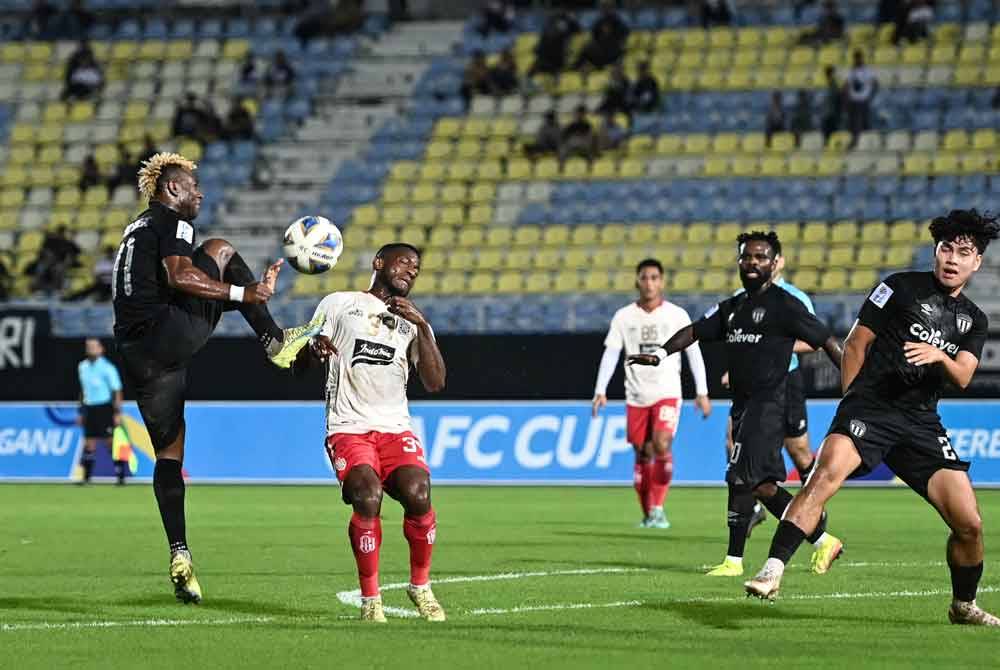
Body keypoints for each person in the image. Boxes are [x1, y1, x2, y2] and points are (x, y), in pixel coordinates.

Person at [745, 210, 1000, 626]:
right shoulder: (897, 287)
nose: (952, 258)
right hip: (871, 407)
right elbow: (856, 344)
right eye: (946, 248)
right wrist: (854, 402)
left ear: (978, 263)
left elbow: (965, 375)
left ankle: (963, 605)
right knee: (823, 476)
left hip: (920, 423)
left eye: (964, 252)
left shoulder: (973, 319)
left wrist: (940, 356)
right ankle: (771, 571)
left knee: (969, 523)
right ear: (936, 251)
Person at [112, 152, 323, 604]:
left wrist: (241, 299)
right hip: (165, 334)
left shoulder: (136, 229)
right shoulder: (172, 222)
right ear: (171, 190)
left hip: (138, 354)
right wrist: (248, 292)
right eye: (192, 185)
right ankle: (273, 340)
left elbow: (179, 290)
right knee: (222, 250)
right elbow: (182, 274)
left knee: (169, 453)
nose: (200, 192)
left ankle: (180, 553)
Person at [628, 232, 844, 577]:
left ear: (774, 264)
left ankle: (735, 560)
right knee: (760, 485)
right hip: (743, 404)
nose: (753, 263)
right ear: (739, 262)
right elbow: (694, 331)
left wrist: (855, 382)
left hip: (770, 403)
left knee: (740, 476)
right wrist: (659, 354)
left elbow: (826, 341)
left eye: (761, 257)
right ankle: (822, 540)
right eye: (747, 257)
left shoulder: (786, 305)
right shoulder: (733, 307)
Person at [293, 243, 447, 623]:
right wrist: (313, 349)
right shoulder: (338, 303)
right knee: (367, 496)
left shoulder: (412, 321)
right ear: (379, 263)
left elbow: (435, 381)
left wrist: (424, 326)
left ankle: (420, 586)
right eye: (404, 262)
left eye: (417, 267)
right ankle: (371, 599)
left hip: (395, 427)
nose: (411, 270)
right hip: (348, 427)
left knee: (419, 492)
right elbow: (298, 365)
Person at [593, 258, 712, 529]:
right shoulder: (624, 316)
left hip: (667, 391)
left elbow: (693, 352)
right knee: (642, 453)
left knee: (661, 444)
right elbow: (611, 353)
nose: (649, 283)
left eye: (654, 277)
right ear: (637, 281)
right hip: (636, 394)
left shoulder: (677, 315)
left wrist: (702, 391)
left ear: (662, 281)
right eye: (644, 278)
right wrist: (600, 390)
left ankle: (658, 507)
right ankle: (648, 512)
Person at [723, 249, 822, 537]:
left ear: (779, 263)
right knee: (733, 439)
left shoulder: (795, 298)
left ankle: (814, 508)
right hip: (751, 384)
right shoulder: (741, 297)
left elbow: (813, 341)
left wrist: (775, 345)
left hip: (784, 381)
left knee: (800, 452)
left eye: (768, 259)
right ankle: (751, 505)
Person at [76, 338, 123, 484]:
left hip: (105, 407)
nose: (91, 349)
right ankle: (86, 477)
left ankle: (120, 475)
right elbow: (83, 391)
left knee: (110, 442)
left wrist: (117, 412)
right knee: (89, 443)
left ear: (101, 349)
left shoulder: (108, 368)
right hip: (90, 408)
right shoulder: (82, 366)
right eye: (88, 346)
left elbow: (117, 390)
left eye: (94, 346)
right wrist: (81, 411)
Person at [573, 1, 629, 70]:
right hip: (601, 49)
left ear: (612, 8)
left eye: (608, 7)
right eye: (604, 7)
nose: (605, 9)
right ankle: (576, 69)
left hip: (614, 49)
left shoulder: (618, 21)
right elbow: (594, 36)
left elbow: (624, 35)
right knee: (587, 49)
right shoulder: (599, 22)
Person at [528, 10, 579, 76]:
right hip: (547, 57)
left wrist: (572, 20)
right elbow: (544, 40)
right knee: (538, 66)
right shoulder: (550, 27)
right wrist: (537, 48)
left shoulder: (568, 24)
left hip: (558, 57)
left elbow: (577, 31)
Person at [844, 50, 878, 149]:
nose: (857, 60)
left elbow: (875, 84)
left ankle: (859, 142)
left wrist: (870, 97)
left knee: (862, 122)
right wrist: (847, 98)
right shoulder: (851, 71)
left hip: (863, 100)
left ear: (861, 58)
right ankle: (855, 141)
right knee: (853, 122)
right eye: (855, 58)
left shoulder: (867, 71)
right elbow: (846, 85)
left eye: (858, 58)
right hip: (853, 100)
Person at [820, 65, 842, 142]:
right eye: (828, 73)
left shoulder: (834, 84)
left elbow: (836, 97)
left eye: (829, 73)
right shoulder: (827, 83)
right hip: (828, 111)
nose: (829, 75)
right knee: (827, 130)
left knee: (832, 130)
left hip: (832, 111)